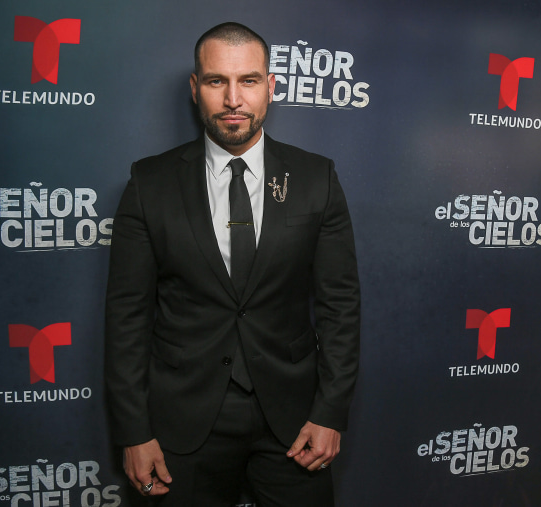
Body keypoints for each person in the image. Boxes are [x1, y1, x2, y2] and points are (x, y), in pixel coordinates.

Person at [104, 21, 360, 506]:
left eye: (249, 81)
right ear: (196, 89)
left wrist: (330, 414)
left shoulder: (316, 178)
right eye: (217, 81)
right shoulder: (150, 182)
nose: (233, 100)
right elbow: (127, 317)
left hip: (292, 423)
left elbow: (340, 306)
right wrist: (133, 432)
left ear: (271, 88)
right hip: (183, 424)